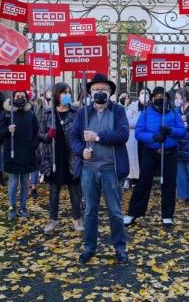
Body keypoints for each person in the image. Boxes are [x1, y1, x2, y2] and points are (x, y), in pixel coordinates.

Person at [70, 74, 129, 264]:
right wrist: (81, 151)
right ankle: (89, 247)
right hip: (89, 169)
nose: (100, 92)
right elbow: (73, 138)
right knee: (89, 211)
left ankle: (120, 248)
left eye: (104, 89)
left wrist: (97, 137)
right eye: (96, 89)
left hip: (110, 169)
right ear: (90, 92)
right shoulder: (83, 113)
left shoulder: (118, 111)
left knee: (115, 211)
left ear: (110, 92)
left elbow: (123, 134)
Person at [123, 87, 186, 226]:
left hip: (169, 153)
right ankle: (133, 213)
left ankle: (167, 215)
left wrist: (171, 131)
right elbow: (139, 133)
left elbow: (182, 132)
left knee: (169, 184)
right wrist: (153, 137)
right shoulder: (146, 113)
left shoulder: (174, 112)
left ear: (167, 97)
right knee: (143, 183)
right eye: (156, 96)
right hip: (151, 153)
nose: (159, 98)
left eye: (162, 95)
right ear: (152, 98)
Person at [39, 83, 84, 234]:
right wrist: (47, 136)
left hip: (71, 156)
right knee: (54, 192)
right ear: (57, 94)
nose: (67, 95)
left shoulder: (76, 112)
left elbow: (81, 133)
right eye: (64, 93)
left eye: (69, 93)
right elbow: (39, 135)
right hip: (53, 158)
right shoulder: (47, 113)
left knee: (75, 191)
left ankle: (77, 219)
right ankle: (52, 221)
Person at [0, 90, 39, 220]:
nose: (20, 98)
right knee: (14, 182)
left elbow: (36, 132)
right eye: (17, 96)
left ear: (26, 98)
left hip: (27, 153)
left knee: (25, 182)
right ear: (13, 98)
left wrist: (32, 146)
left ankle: (23, 206)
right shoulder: (7, 114)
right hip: (12, 153)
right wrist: (7, 130)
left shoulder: (31, 114)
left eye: (22, 96)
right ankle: (12, 207)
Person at [125, 88, 150, 188]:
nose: (144, 95)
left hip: (147, 138)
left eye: (147, 93)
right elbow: (127, 122)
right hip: (134, 139)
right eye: (142, 93)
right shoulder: (132, 107)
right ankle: (133, 179)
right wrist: (141, 120)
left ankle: (143, 180)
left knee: (145, 159)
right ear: (139, 96)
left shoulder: (151, 107)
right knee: (134, 158)